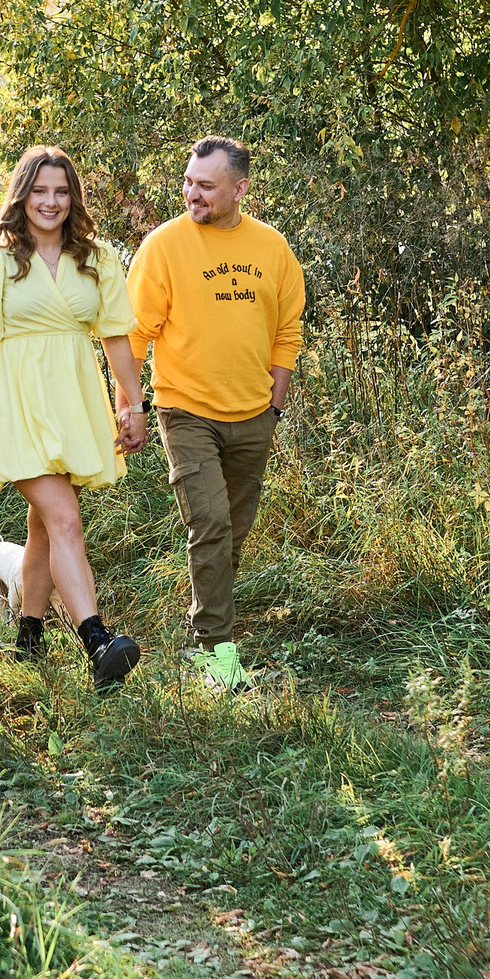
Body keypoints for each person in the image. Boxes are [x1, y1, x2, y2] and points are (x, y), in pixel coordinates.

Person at [0, 144, 148, 690]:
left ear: (73, 197)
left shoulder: (97, 259)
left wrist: (133, 405)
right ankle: (97, 641)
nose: (51, 201)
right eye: (40, 190)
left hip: (73, 401)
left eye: (61, 191)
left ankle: (28, 639)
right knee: (64, 519)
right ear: (21, 195)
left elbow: (116, 339)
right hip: (17, 404)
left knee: (44, 526)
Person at [127, 136, 305, 693]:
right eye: (188, 181)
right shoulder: (164, 247)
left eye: (205, 185)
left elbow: (288, 332)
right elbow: (132, 336)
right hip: (186, 410)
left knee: (233, 532)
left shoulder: (272, 248)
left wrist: (274, 406)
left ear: (239, 189)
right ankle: (217, 653)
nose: (192, 193)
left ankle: (209, 633)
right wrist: (131, 406)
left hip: (254, 414)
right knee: (210, 523)